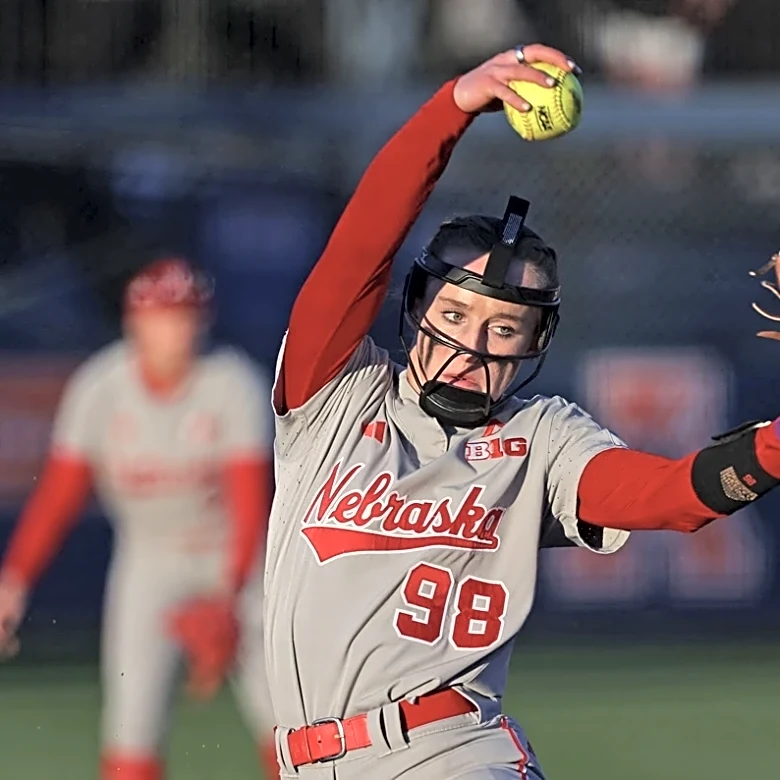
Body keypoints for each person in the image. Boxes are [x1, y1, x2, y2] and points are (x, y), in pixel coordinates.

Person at [264, 43, 780, 779]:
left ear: (534, 342)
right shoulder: (335, 397)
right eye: (457, 313)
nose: (474, 344)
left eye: (503, 327)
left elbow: (665, 496)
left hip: (451, 755)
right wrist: (452, 108)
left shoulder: (540, 435)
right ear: (416, 310)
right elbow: (358, 250)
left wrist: (772, 448)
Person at [0, 257, 279, 779]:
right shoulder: (101, 387)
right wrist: (14, 580)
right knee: (130, 733)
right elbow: (59, 495)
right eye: (164, 317)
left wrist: (227, 599)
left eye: (187, 316)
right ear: (135, 321)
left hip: (239, 562)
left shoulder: (231, 382)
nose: (176, 330)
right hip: (149, 561)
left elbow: (250, 506)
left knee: (288, 728)